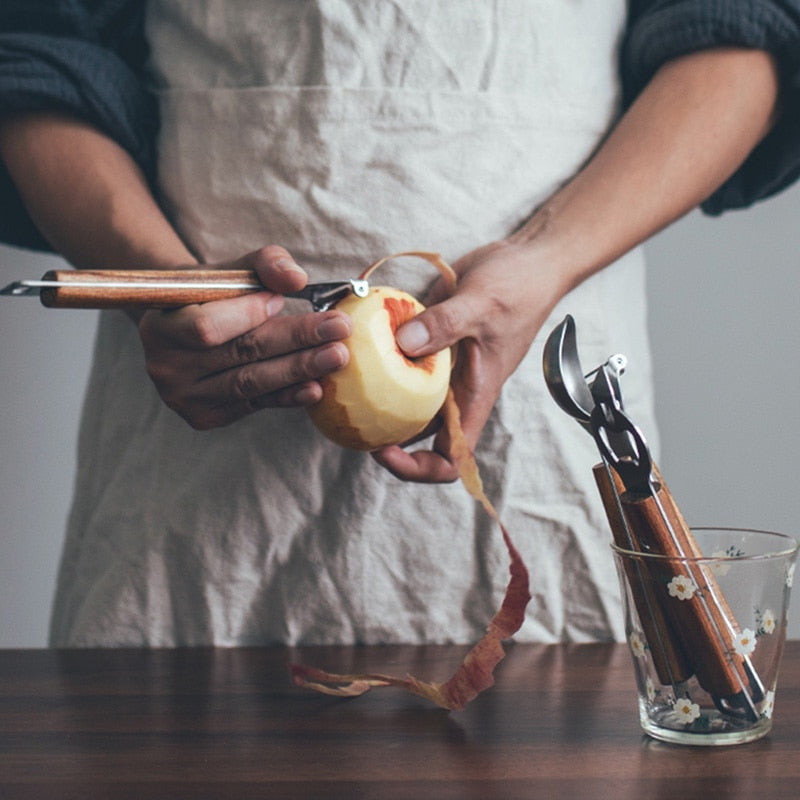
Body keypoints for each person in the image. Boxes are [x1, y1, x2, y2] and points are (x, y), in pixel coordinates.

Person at [1, 1, 798, 647]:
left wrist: (547, 256)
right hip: (189, 437)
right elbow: (36, 49)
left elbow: (745, 29)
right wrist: (159, 277)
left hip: (540, 407)